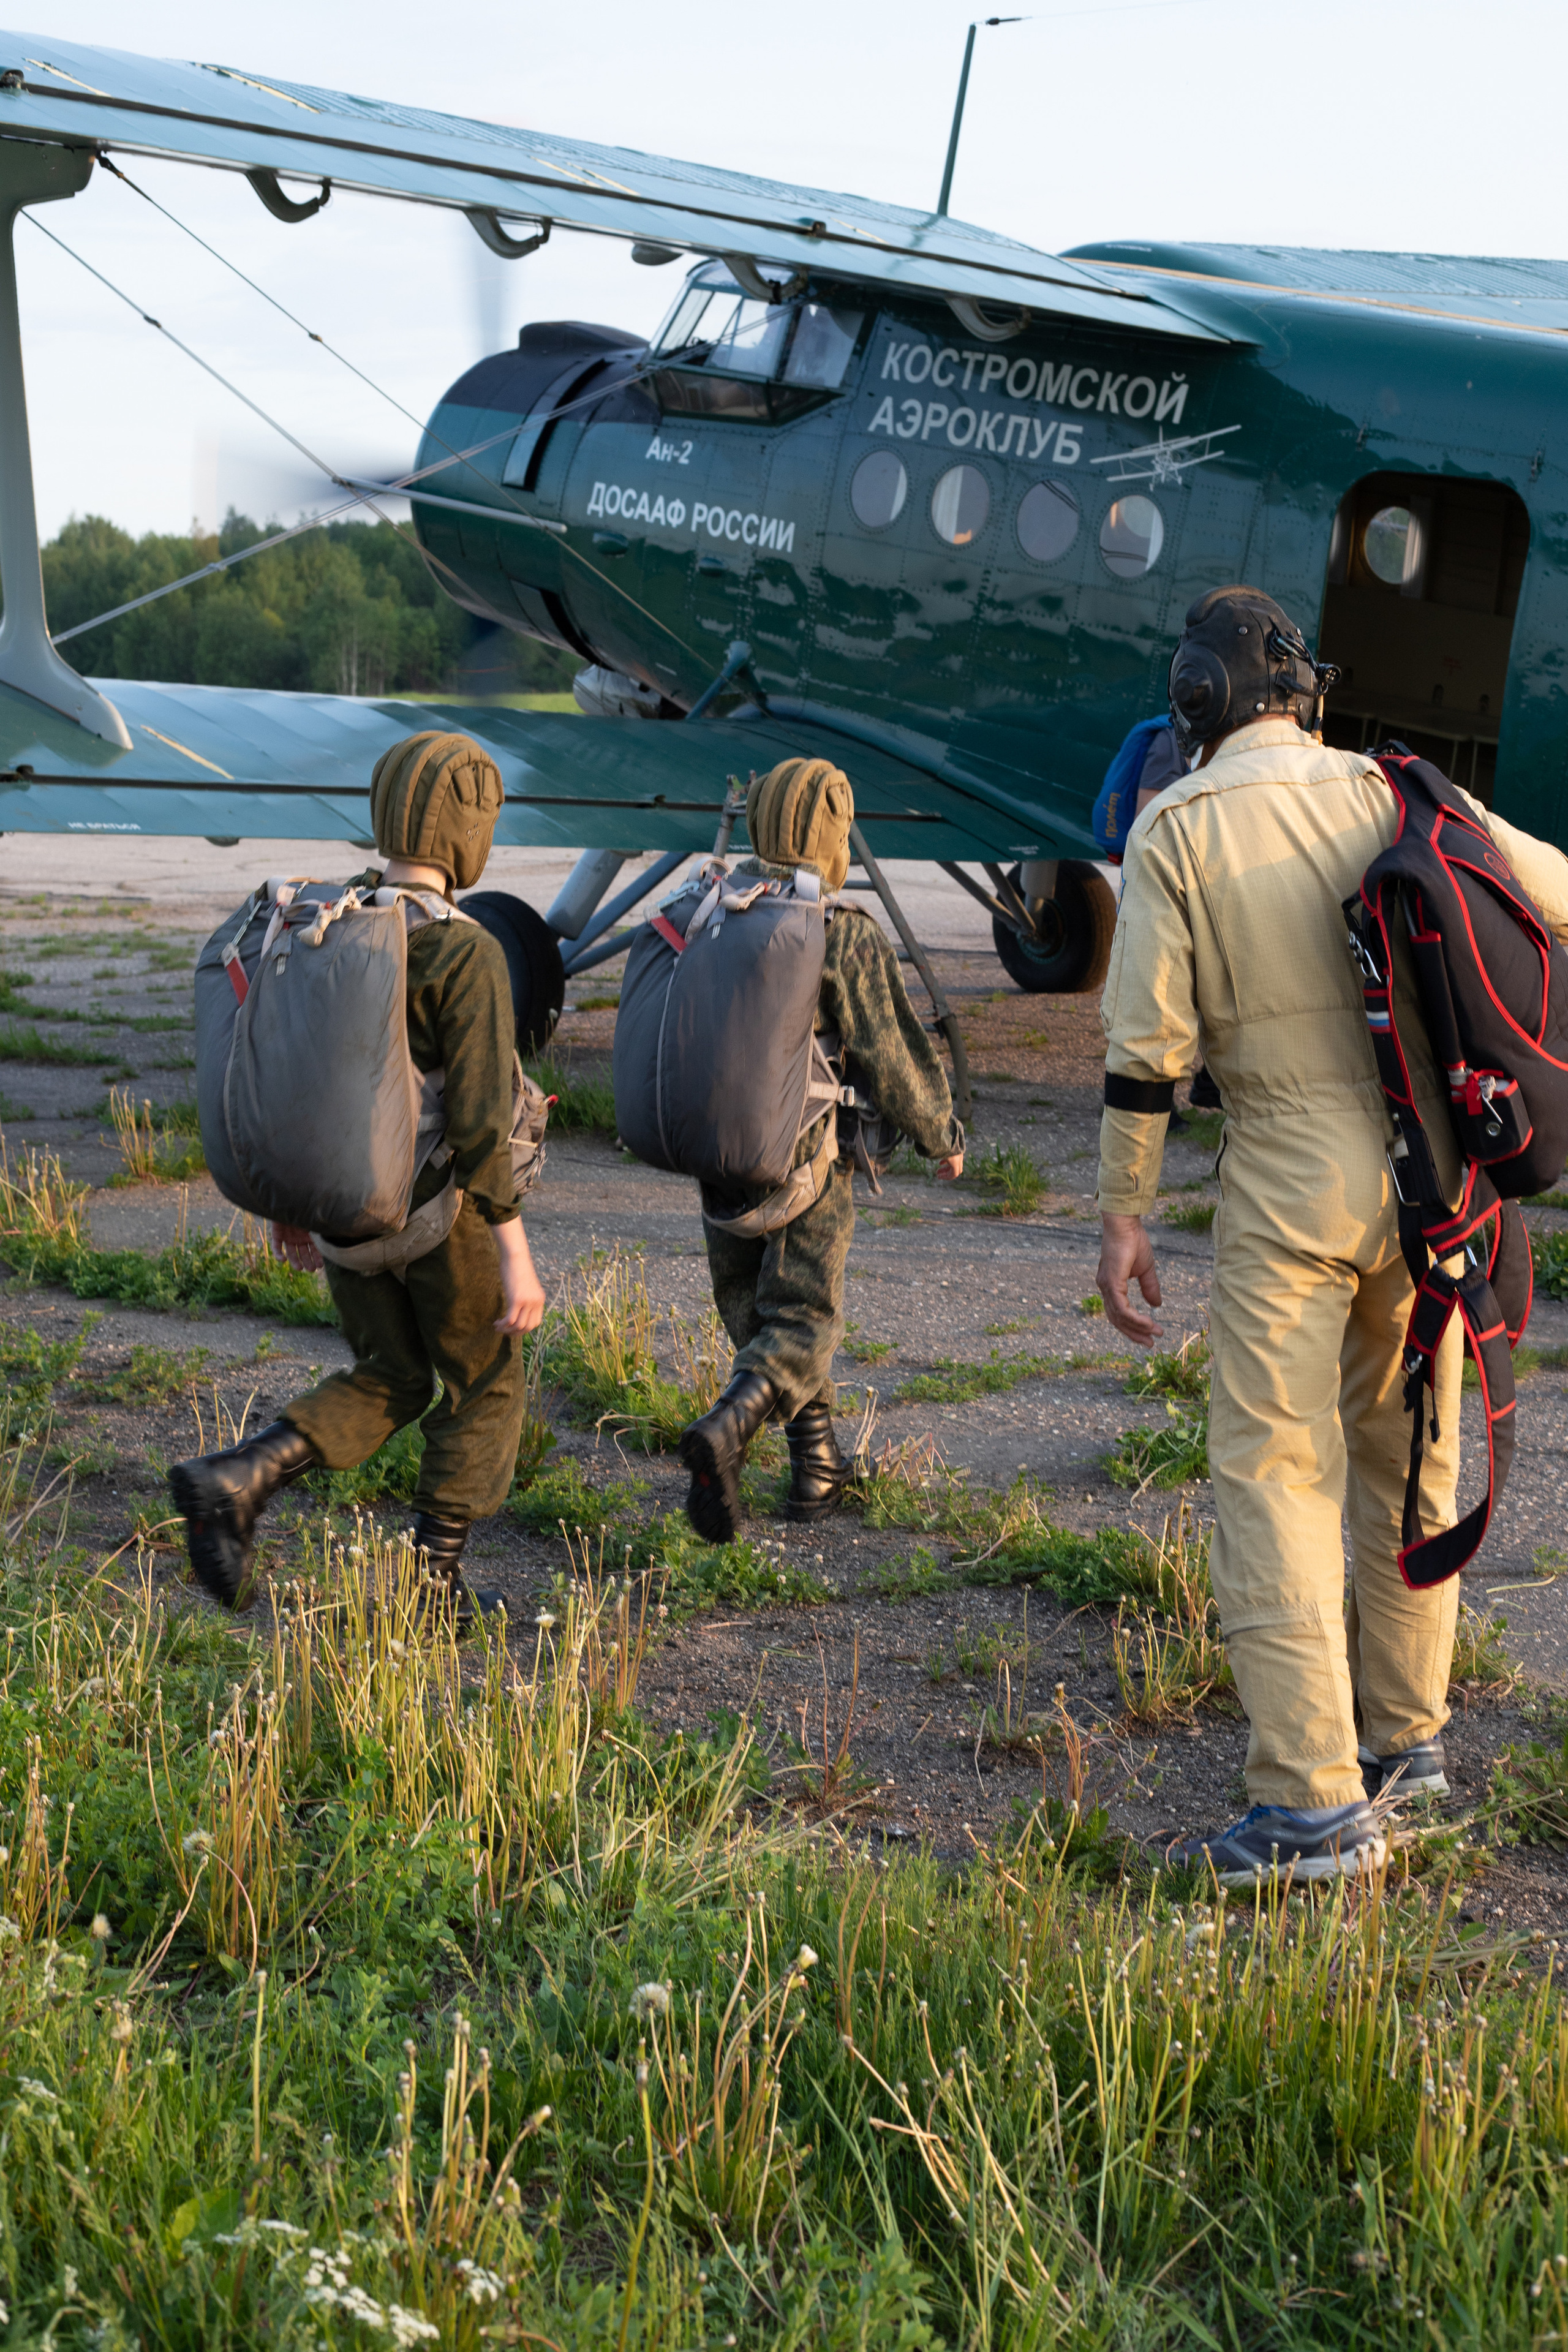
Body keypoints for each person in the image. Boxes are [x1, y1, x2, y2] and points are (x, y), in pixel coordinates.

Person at [1095, 587, 1568, 1885]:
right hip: (1427, 1187)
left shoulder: (1175, 825)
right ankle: (1403, 1746)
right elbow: (1552, 899)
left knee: (1272, 1470)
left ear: (1194, 699)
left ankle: (1305, 1806)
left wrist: (1122, 1209)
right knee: (1410, 1448)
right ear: (1300, 691)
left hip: (1285, 1183)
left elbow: (1147, 1051)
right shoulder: (1392, 791)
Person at [171, 731, 547, 1625]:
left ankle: (240, 1475)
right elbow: (483, 1120)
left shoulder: (326, 922)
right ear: (470, 831)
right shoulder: (466, 951)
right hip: (433, 1212)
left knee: (393, 1372)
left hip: (342, 1218)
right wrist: (515, 1253)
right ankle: (433, 1586)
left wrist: (292, 1210)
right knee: (483, 1379)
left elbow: (297, 1077)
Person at [679, 758, 965, 1542]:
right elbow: (893, 1052)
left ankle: (817, 1464)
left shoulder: (710, 905)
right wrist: (941, 1133)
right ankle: (728, 1429)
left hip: (717, 1159)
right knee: (803, 1320)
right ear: (834, 834)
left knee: (755, 1314)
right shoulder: (840, 930)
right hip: (806, 1164)